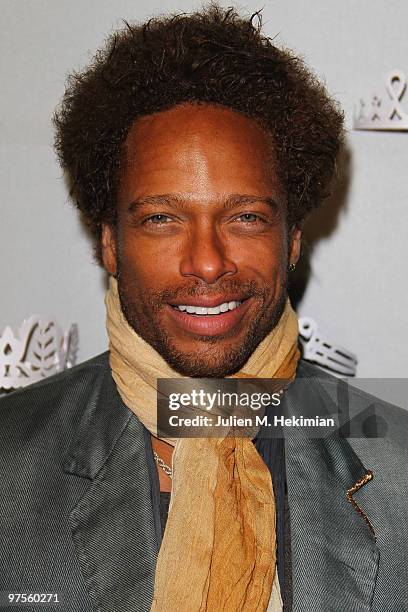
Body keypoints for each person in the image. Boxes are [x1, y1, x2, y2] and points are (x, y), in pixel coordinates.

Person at [0, 5, 407, 612]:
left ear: (291, 239)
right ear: (109, 241)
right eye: (162, 219)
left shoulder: (396, 461)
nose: (209, 263)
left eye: (245, 216)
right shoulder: (11, 458)